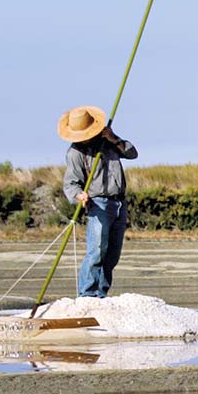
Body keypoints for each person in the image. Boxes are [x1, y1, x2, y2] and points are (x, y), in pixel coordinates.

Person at [59, 106, 138, 298]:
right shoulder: (75, 153)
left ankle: (102, 293)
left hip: (119, 202)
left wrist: (115, 139)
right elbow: (71, 183)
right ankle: (87, 294)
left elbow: (132, 153)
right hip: (98, 204)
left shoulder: (108, 140)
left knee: (112, 254)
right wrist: (79, 195)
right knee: (96, 251)